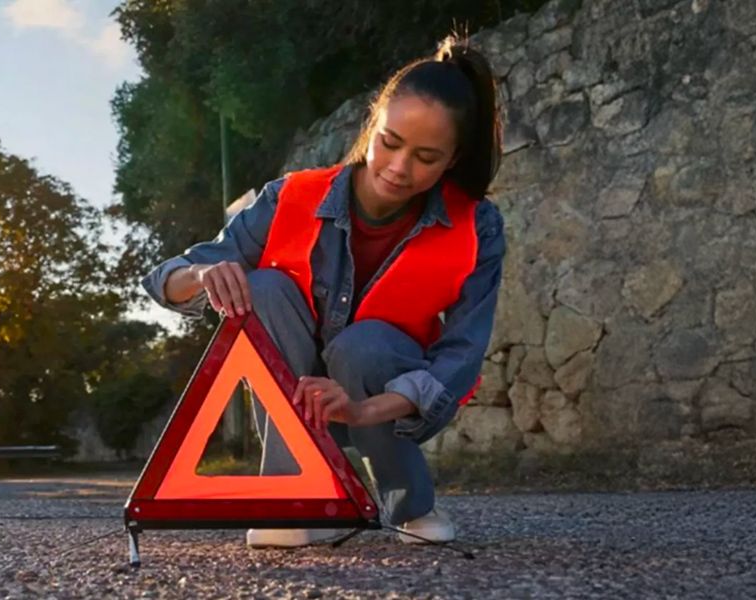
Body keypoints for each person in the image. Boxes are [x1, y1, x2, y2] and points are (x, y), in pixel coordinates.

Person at [141, 34, 505, 548]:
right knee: (261, 288)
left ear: (452, 159)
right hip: (291, 395)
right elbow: (165, 278)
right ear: (372, 124)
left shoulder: (478, 226)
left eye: (426, 157)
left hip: (386, 400)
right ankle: (293, 497)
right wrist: (202, 276)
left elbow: (460, 356)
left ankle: (409, 505)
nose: (399, 169)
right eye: (391, 142)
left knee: (365, 344)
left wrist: (362, 410)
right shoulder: (290, 195)